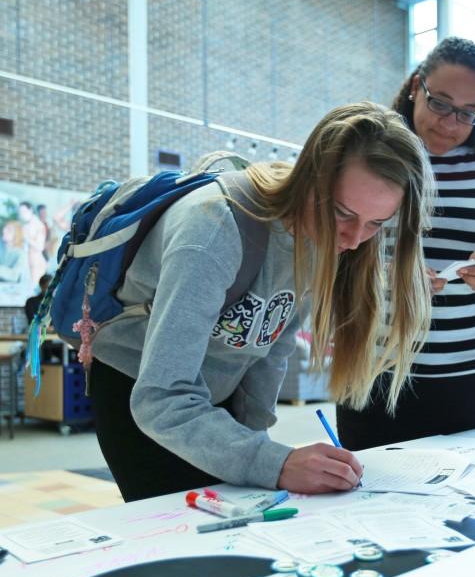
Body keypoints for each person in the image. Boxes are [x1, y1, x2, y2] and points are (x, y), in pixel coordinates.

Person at [90, 102, 434, 502]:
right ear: (311, 180)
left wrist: (260, 448)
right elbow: (160, 398)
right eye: (343, 213)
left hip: (213, 399)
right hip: (143, 397)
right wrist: (275, 463)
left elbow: (271, 350)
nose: (356, 239)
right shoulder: (212, 229)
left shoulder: (320, 237)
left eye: (376, 224)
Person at [336, 37, 475, 450]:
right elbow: (329, 248)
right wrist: (389, 277)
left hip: (467, 373)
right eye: (441, 104)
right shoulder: (370, 153)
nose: (451, 123)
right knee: (368, 501)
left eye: (468, 112)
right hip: (373, 366)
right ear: (417, 86)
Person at [18, 202, 48, 285]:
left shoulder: (38, 225)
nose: (22, 215)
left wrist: (26, 238)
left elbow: (40, 247)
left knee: (35, 288)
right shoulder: (26, 226)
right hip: (28, 263)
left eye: (24, 212)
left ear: (30, 210)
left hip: (37, 263)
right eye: (20, 212)